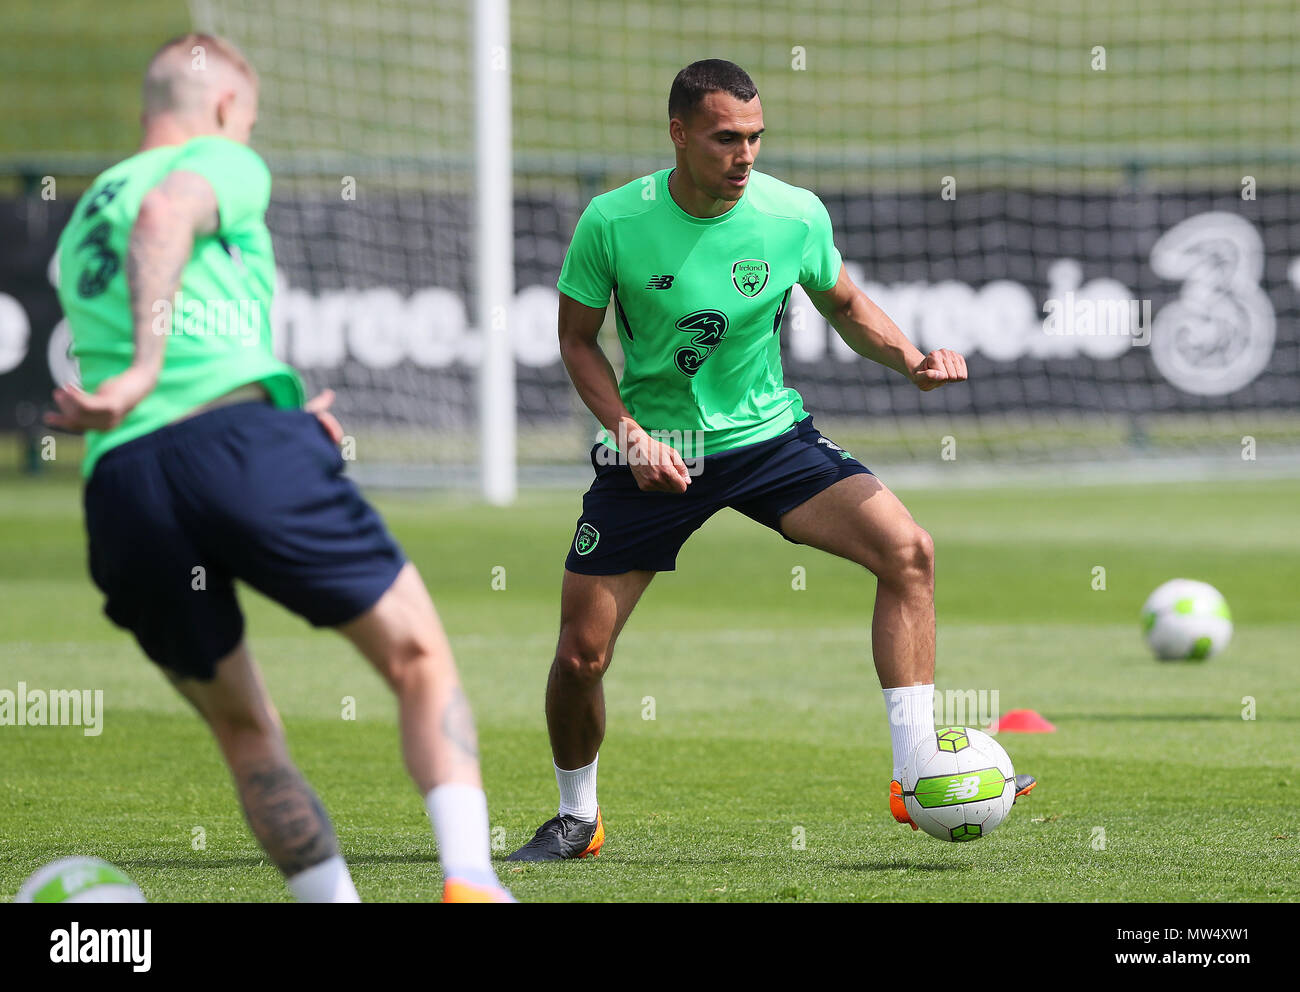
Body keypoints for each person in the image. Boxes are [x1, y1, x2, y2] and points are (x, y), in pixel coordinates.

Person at [509, 59, 1034, 861]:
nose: (745, 154)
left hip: (767, 440)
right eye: (726, 138)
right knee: (582, 655)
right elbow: (576, 342)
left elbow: (847, 304)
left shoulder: (793, 214)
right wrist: (628, 434)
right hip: (657, 453)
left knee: (908, 551)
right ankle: (577, 816)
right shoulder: (613, 222)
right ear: (679, 134)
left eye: (755, 137)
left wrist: (911, 359)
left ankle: (912, 771)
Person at [50, 33, 511, 902]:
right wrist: (158, 373)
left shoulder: (83, 219)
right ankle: (470, 882)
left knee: (243, 729)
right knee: (419, 657)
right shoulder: (218, 159)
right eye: (248, 122)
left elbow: (179, 329)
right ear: (226, 108)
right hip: (237, 449)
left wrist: (247, 403)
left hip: (124, 487)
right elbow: (169, 217)